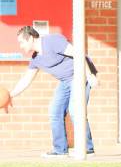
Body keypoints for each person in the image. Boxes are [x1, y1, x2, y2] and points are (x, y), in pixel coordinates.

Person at [8, 26, 97, 157]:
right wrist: (10, 96)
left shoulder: (52, 41)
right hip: (65, 81)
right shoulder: (36, 59)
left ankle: (87, 149)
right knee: (54, 112)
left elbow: (78, 54)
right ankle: (60, 150)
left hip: (80, 75)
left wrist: (89, 75)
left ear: (31, 38)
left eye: (22, 42)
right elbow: (26, 80)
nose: (20, 46)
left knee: (75, 110)